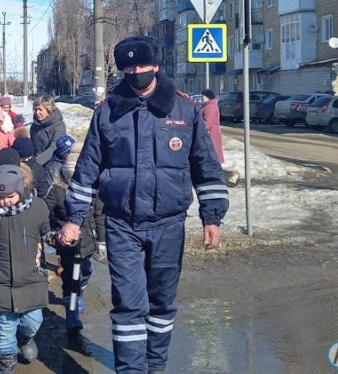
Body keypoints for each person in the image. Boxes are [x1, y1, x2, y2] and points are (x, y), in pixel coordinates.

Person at [60, 35, 229, 374]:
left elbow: (205, 165)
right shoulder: (107, 113)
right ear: (121, 69)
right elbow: (88, 167)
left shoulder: (185, 110)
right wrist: (75, 218)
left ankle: (155, 367)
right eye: (128, 67)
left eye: (141, 65)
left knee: (162, 303)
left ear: (156, 66)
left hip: (169, 224)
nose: (135, 72)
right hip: (122, 224)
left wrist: (211, 217)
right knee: (128, 305)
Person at [0, 153, 54, 374]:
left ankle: (25, 338)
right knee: (5, 331)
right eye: (0, 198)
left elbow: (47, 235)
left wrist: (63, 239)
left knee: (33, 321)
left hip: (31, 279)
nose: (5, 202)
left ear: (20, 191)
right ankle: (6, 367)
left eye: (11, 197)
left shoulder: (37, 209)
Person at [42, 143, 98, 336]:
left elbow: (99, 214)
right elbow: (43, 213)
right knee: (68, 277)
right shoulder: (57, 191)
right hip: (66, 243)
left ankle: (80, 290)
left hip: (87, 241)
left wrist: (103, 240)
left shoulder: (92, 189)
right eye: (70, 174)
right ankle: (72, 314)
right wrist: (54, 233)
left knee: (85, 271)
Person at [30, 95, 66, 165]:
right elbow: (32, 146)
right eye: (35, 109)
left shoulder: (58, 125)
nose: (37, 113)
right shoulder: (34, 126)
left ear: (49, 110)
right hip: (36, 163)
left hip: (53, 164)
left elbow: (54, 148)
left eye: (40, 109)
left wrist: (36, 163)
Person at [200, 89, 224, 164]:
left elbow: (208, 122)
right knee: (213, 152)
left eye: (203, 96)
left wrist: (201, 130)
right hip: (212, 133)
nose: (202, 98)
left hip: (211, 134)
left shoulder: (210, 106)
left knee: (212, 152)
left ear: (207, 96)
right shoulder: (209, 105)